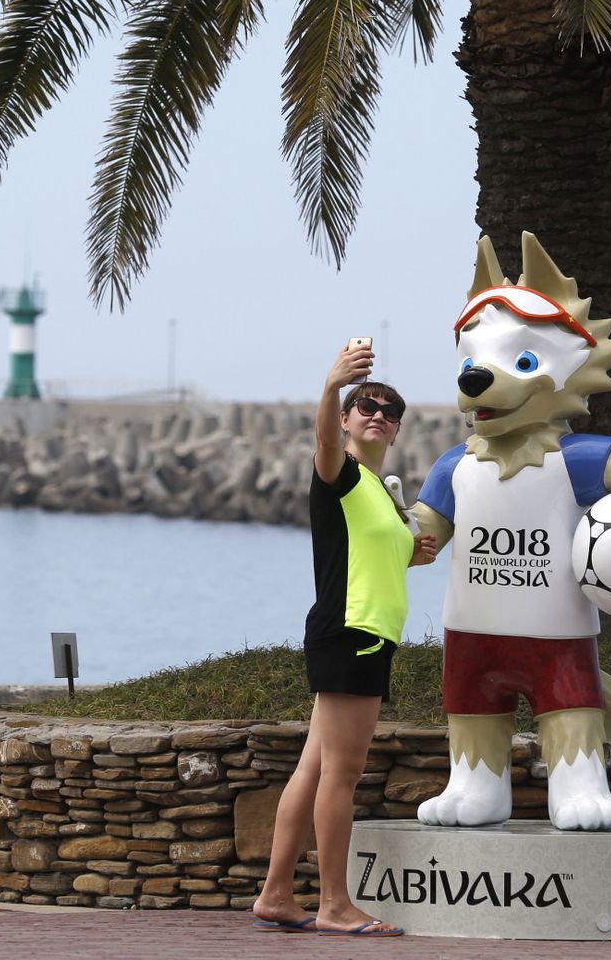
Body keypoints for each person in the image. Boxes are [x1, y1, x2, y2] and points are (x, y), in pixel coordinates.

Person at [251, 341, 437, 938]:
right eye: (366, 406)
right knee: (344, 774)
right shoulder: (340, 471)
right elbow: (325, 443)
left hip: (357, 631)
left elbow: (361, 557)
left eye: (388, 410)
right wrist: (332, 384)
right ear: (350, 420)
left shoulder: (379, 494)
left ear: (398, 429)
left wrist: (411, 555)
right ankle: (334, 904)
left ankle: (277, 894)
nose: (376, 413)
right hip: (352, 634)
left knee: (313, 770)